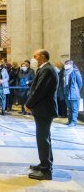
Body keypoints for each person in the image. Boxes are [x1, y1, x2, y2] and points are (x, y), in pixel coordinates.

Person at [25, 49, 58, 180]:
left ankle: (46, 170)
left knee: (42, 138)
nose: (33, 58)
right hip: (43, 109)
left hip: (44, 109)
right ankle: (45, 163)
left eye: (35, 56)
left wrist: (28, 104)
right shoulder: (45, 69)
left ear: (42, 57)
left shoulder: (47, 70)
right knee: (45, 138)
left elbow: (39, 90)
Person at [63, 60, 82, 127]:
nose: (66, 65)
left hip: (74, 93)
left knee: (74, 108)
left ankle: (73, 122)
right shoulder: (65, 72)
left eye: (68, 63)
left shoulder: (75, 71)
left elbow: (80, 82)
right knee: (69, 108)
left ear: (71, 64)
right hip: (66, 93)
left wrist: (76, 90)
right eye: (65, 63)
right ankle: (70, 120)